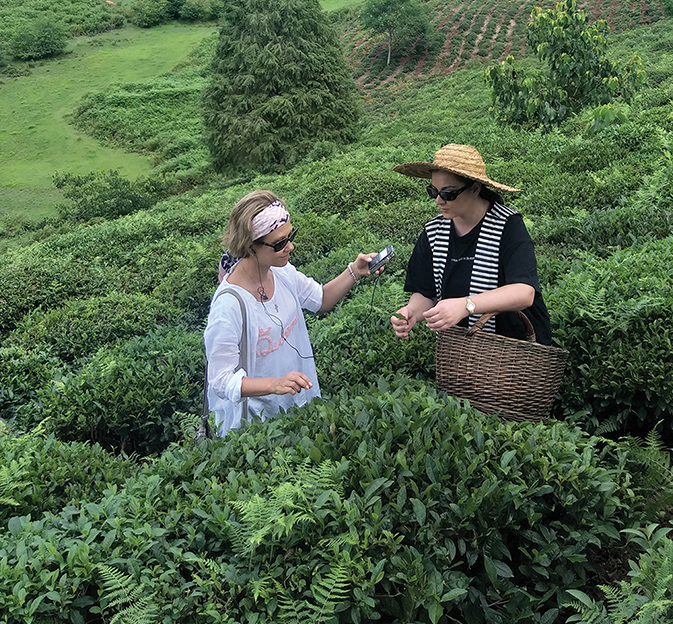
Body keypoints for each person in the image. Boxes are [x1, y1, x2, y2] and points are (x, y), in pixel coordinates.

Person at [205, 189, 380, 435]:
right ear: (249, 246)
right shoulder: (229, 304)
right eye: (279, 243)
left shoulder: (281, 271)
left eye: (290, 236)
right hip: (257, 429)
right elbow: (220, 380)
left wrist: (354, 271)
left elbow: (321, 299)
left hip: (299, 408)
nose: (290, 246)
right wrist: (274, 385)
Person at [390, 144, 551, 344]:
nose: (439, 201)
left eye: (448, 193)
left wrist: (466, 305)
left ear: (475, 189)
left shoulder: (507, 225)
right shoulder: (433, 231)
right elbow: (426, 293)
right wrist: (412, 312)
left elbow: (523, 292)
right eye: (433, 191)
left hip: (514, 349)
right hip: (463, 352)